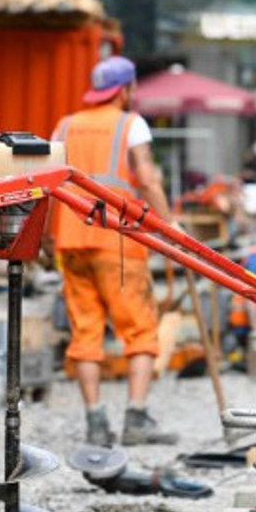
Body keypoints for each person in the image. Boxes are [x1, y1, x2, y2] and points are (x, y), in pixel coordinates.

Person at [51, 56, 177, 446]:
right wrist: (170, 225)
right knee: (139, 329)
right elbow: (147, 178)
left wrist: (47, 236)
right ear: (125, 90)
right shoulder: (130, 123)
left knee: (85, 331)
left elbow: (48, 182)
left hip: (71, 239)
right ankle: (135, 419)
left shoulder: (65, 126)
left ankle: (95, 422)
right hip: (116, 240)